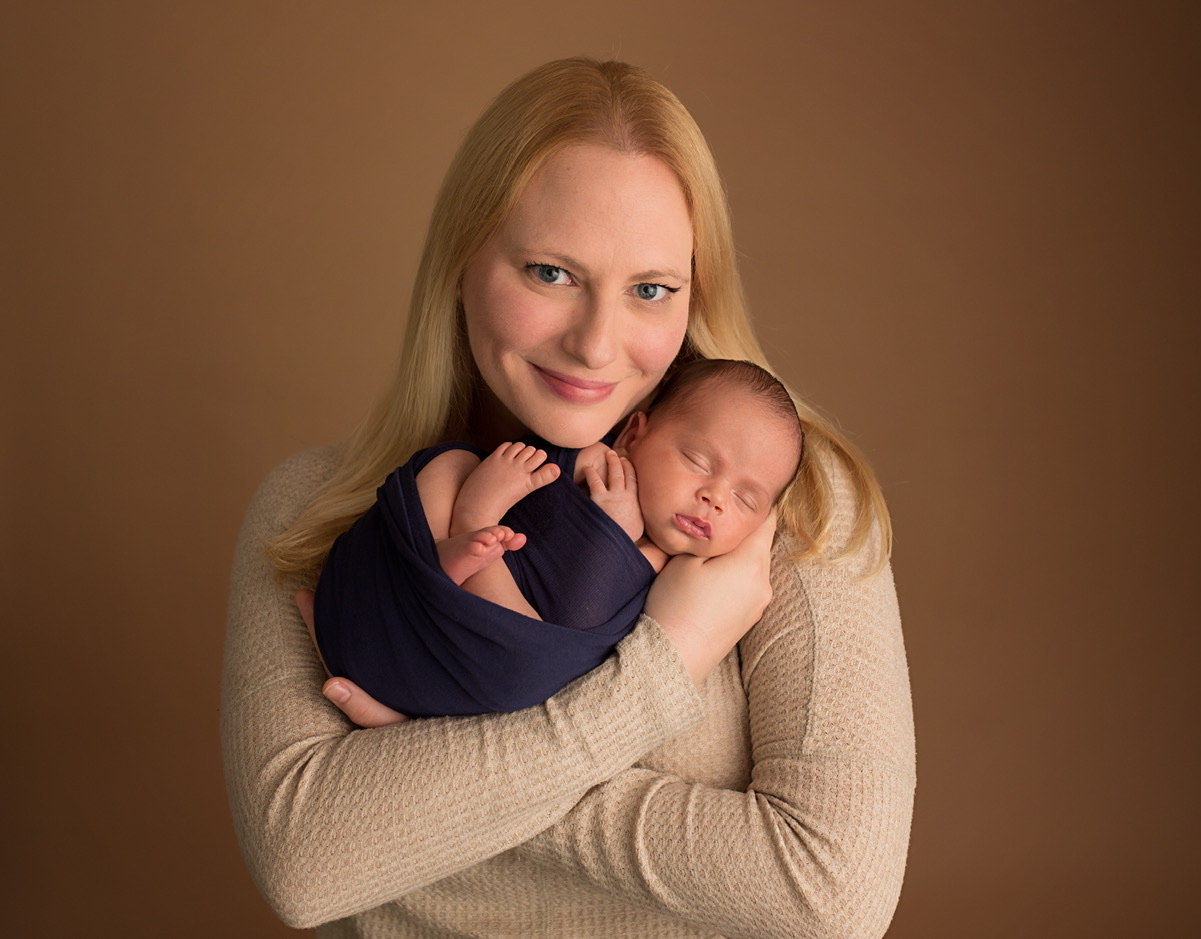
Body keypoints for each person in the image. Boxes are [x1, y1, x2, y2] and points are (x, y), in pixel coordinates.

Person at [221, 57, 914, 937]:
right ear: (462, 262)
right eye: (551, 273)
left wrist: (423, 759)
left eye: (651, 290)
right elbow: (305, 862)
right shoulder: (312, 509)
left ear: (694, 292)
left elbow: (833, 892)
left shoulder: (791, 505)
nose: (595, 344)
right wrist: (666, 665)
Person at [311, 358, 804, 718]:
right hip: (391, 607)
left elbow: (577, 635)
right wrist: (604, 518)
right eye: (697, 461)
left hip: (491, 659)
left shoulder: (702, 579)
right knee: (448, 467)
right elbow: (530, 472)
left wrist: (619, 538)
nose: (716, 498)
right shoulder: (597, 462)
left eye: (746, 500)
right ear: (634, 435)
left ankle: (469, 535)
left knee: (535, 666)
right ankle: (462, 536)